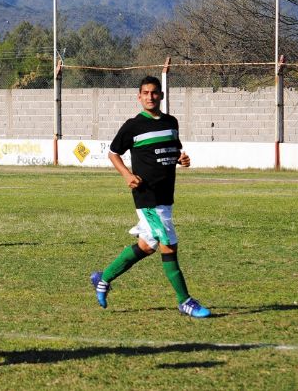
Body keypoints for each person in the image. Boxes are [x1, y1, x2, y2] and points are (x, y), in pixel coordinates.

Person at [90, 76, 211, 318]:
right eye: (145, 93)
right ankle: (185, 301)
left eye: (154, 92)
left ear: (161, 96)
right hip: (147, 197)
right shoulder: (133, 126)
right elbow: (113, 153)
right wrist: (126, 174)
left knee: (147, 246)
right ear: (139, 96)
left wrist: (181, 159)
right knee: (169, 245)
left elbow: (174, 150)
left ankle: (104, 278)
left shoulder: (171, 122)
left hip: (166, 196)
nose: (150, 96)